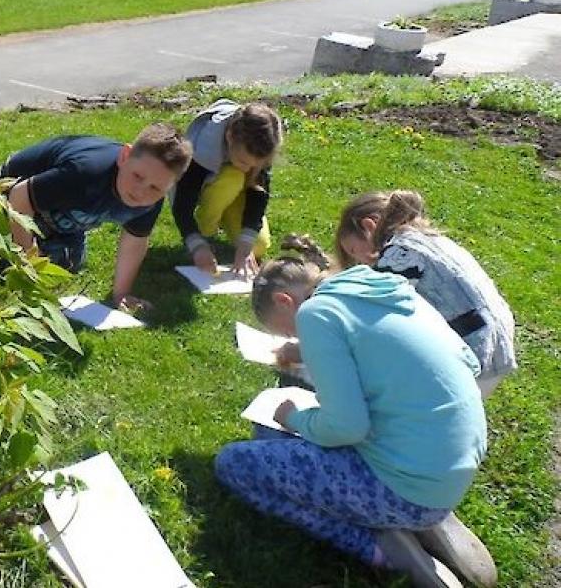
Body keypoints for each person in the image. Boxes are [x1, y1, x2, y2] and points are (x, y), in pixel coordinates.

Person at [215, 240, 495, 588]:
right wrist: (307, 349)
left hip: (406, 484)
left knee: (235, 462)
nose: (295, 334)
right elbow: (462, 361)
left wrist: (294, 419)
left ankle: (380, 545)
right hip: (451, 462)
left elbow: (347, 427)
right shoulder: (380, 287)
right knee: (268, 436)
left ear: (284, 301)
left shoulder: (315, 314)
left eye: (288, 330)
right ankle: (424, 520)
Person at [332, 189, 516, 397]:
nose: (363, 262)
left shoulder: (398, 255)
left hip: (472, 349)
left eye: (355, 251)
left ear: (369, 226)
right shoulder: (430, 240)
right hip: (496, 340)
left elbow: (375, 315)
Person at [0, 123, 192, 311]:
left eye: (155, 188)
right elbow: (20, 198)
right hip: (9, 197)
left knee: (68, 265)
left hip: (63, 217)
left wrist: (121, 293)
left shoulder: (151, 200)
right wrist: (27, 266)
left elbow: (136, 239)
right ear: (125, 156)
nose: (141, 191)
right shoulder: (86, 171)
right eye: (137, 176)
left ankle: (51, 241)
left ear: (169, 187)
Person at [171, 99, 283, 278]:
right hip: (210, 190)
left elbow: (259, 195)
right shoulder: (201, 148)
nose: (247, 170)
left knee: (258, 246)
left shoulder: (263, 144)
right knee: (234, 177)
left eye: (253, 166)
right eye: (243, 161)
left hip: (236, 193)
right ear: (229, 136)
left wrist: (246, 244)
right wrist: (196, 243)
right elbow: (181, 204)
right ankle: (205, 231)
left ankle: (226, 217)